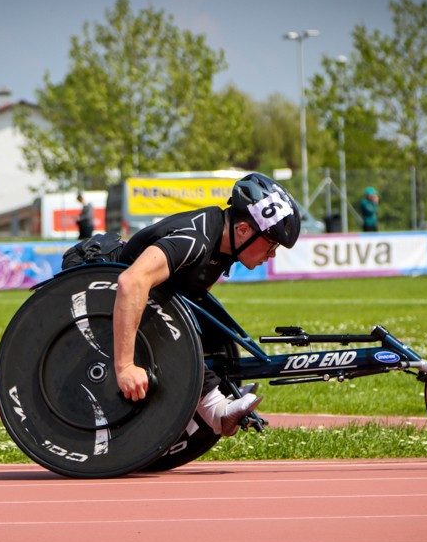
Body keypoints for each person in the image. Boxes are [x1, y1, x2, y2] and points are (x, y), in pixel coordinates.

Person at [113, 172, 301, 437]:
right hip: (102, 294)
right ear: (243, 229)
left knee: (206, 324)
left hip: (147, 305)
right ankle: (215, 409)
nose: (271, 255)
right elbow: (131, 282)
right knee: (169, 325)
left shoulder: (224, 249)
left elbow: (188, 303)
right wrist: (124, 367)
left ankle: (210, 400)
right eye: (270, 246)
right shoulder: (194, 239)